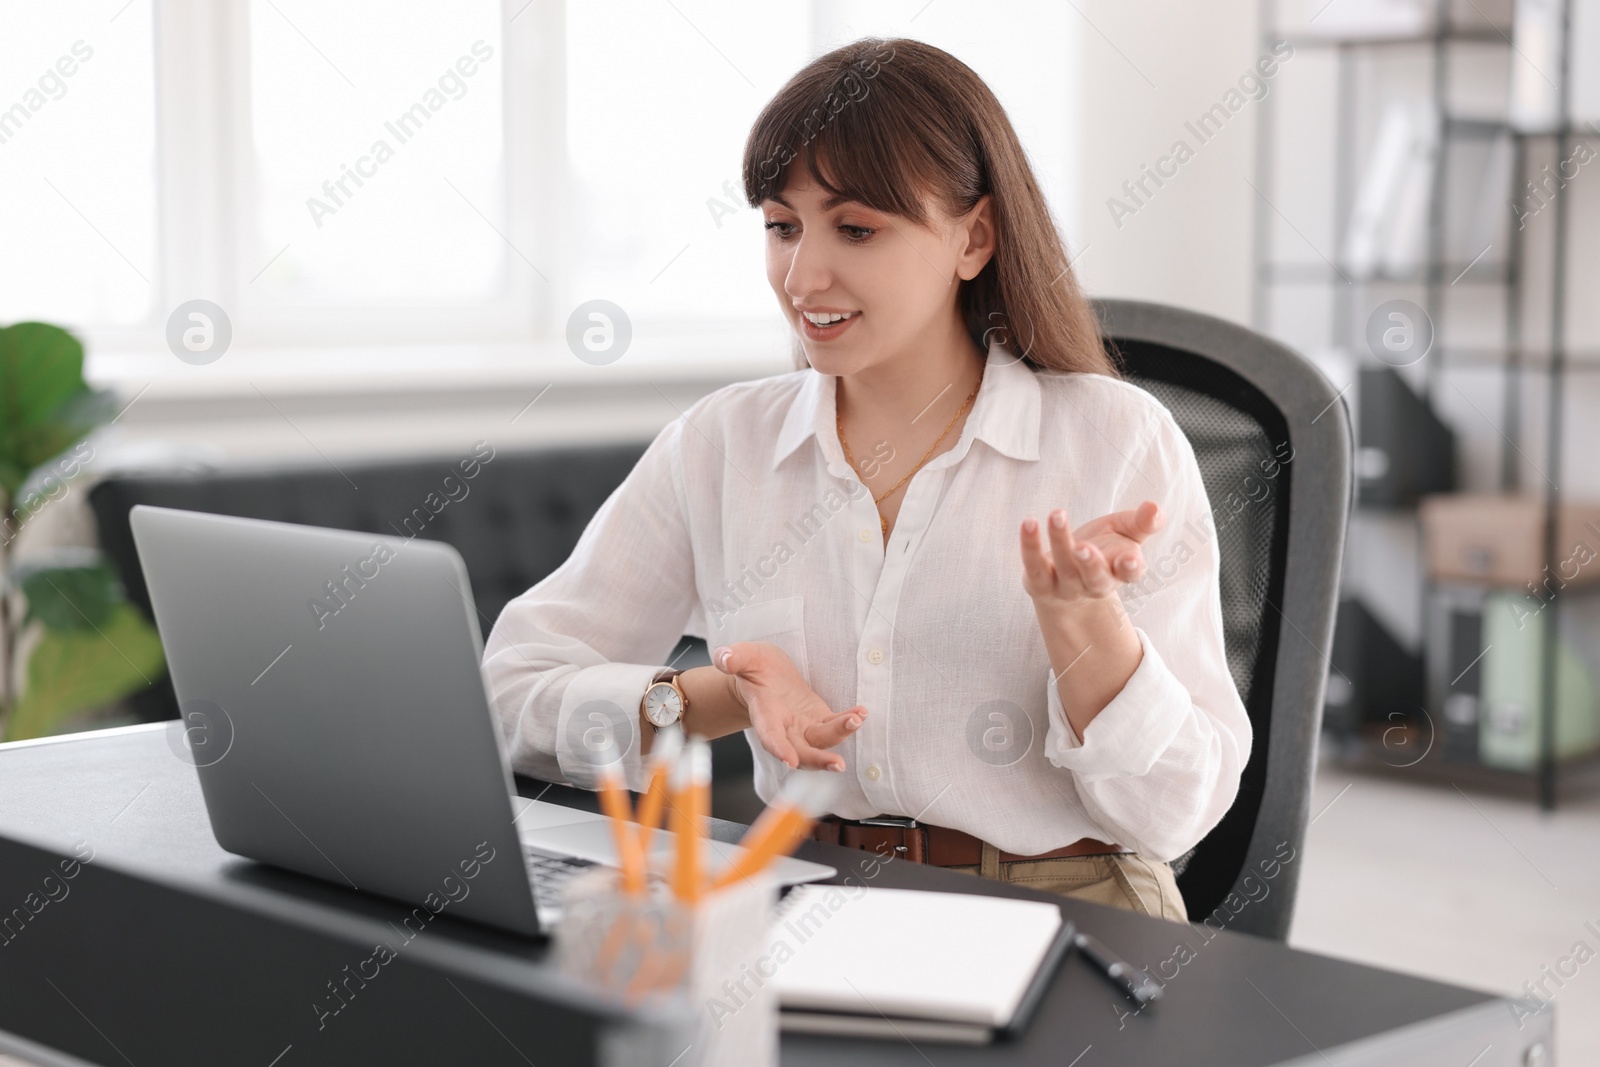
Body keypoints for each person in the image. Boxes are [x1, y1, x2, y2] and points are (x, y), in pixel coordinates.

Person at [484, 37, 1251, 923]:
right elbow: (509, 693)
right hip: (807, 895)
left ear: (975, 237)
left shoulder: (1115, 440)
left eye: (856, 229)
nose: (803, 276)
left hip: (1071, 905)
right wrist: (719, 696)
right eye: (782, 225)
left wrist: (1087, 633)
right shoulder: (722, 445)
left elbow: (1181, 811)